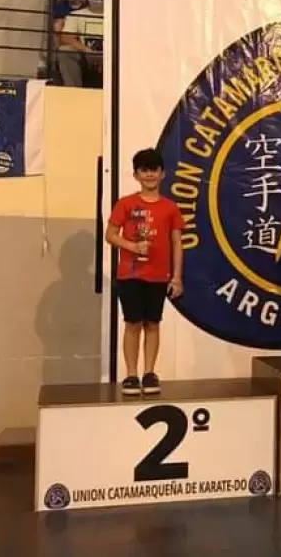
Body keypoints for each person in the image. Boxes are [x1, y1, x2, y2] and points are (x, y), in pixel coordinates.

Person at [105, 149, 184, 395]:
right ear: (136, 175)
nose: (149, 175)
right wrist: (132, 246)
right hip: (130, 274)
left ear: (163, 174)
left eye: (154, 170)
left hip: (159, 275)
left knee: (153, 323)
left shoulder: (170, 208)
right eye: (144, 170)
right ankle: (131, 375)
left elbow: (177, 243)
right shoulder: (125, 204)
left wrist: (177, 277)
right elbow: (110, 235)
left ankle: (149, 373)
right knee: (133, 323)